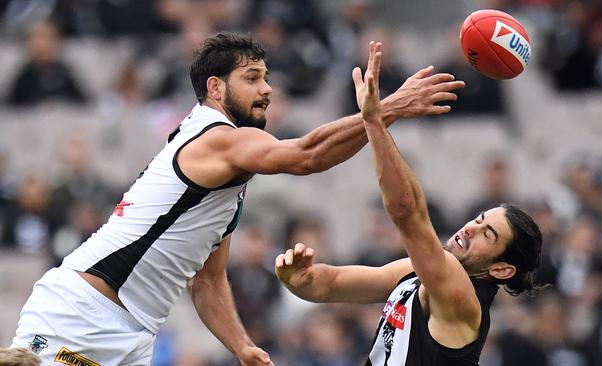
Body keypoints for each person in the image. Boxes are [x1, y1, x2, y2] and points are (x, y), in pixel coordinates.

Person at [10, 32, 464, 365]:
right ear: (215, 88)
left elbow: (207, 283)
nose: (267, 89)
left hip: (131, 335)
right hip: (79, 316)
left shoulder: (227, 177)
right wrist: (385, 110)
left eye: (266, 78)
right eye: (252, 78)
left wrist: (242, 347)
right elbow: (306, 156)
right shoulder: (217, 139)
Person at [275, 42, 544, 365]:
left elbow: (408, 214)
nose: (472, 228)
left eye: (489, 234)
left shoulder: (461, 296)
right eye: (480, 219)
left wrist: (376, 119)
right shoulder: (419, 273)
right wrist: (301, 281)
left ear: (501, 268)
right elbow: (328, 284)